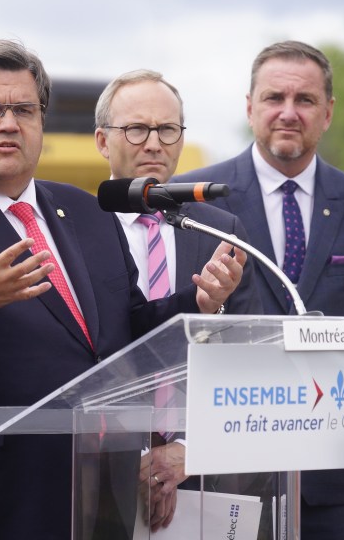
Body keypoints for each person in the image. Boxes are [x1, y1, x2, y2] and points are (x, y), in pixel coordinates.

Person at [0, 39, 244, 540]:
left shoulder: (87, 210)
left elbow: (125, 328)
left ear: (42, 124)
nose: (9, 123)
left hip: (94, 498)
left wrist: (200, 303)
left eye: (24, 110)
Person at [177, 40, 344, 540]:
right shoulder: (194, 199)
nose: (289, 113)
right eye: (274, 98)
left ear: (328, 112)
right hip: (223, 474)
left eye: (305, 100)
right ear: (249, 107)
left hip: (329, 480)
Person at [94, 68, 263, 532]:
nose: (154, 144)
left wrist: (188, 450)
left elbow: (246, 359)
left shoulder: (220, 231)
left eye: (167, 129)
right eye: (136, 129)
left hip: (202, 479)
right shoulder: (77, 230)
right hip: (99, 477)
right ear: (103, 141)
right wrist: (137, 458)